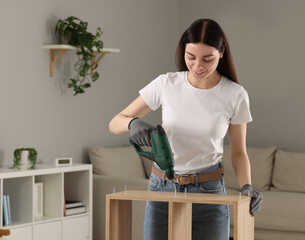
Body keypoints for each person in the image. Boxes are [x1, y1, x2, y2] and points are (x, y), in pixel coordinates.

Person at [109, 18, 263, 240]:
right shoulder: (166, 84)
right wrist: (131, 123)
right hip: (162, 186)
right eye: (191, 57)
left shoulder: (235, 95)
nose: (198, 66)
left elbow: (239, 153)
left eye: (207, 59)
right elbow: (115, 122)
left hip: (209, 191)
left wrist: (247, 186)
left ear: (221, 52)